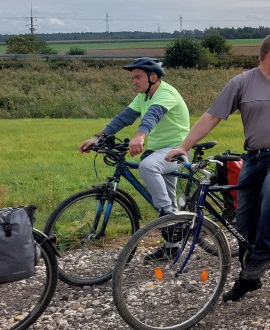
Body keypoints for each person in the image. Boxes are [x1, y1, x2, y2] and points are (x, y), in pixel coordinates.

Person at [166, 34, 270, 301]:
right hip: (253, 157)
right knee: (243, 219)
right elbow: (212, 116)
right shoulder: (242, 83)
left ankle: (264, 255)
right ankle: (249, 276)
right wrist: (185, 146)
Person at [79, 58, 189, 219]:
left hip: (178, 149)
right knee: (168, 197)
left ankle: (167, 215)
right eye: (133, 78)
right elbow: (124, 118)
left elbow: (153, 115)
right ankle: (172, 241)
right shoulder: (143, 96)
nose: (134, 82)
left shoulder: (166, 93)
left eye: (138, 77)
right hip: (159, 151)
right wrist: (98, 137)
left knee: (148, 167)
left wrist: (139, 135)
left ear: (153, 77)